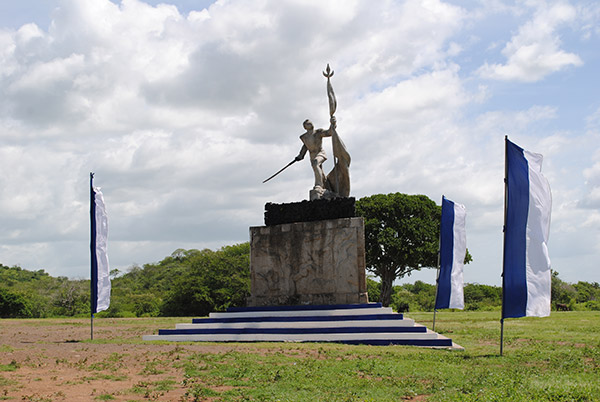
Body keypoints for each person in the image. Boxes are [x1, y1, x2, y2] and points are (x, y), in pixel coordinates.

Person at [295, 116, 337, 190]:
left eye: (310, 123)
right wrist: (300, 155)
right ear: (305, 127)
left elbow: (329, 132)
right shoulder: (304, 137)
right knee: (320, 173)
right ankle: (328, 188)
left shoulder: (318, 132)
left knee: (315, 163)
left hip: (320, 153)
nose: (310, 124)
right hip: (312, 156)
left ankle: (318, 185)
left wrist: (333, 124)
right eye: (308, 124)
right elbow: (305, 147)